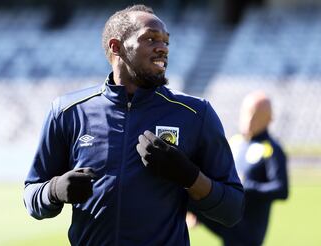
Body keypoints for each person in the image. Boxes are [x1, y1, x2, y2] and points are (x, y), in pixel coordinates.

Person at [23, 4, 244, 246]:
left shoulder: (196, 114)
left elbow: (233, 210)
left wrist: (189, 176)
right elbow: (31, 196)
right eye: (150, 39)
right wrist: (54, 190)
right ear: (116, 47)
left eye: (166, 41)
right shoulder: (68, 112)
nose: (162, 48)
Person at [188, 91, 289, 246]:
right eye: (246, 113)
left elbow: (281, 189)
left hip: (248, 230)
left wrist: (247, 186)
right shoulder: (235, 143)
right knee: (184, 187)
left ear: (268, 119)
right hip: (226, 213)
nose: (248, 119)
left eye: (255, 115)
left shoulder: (271, 149)